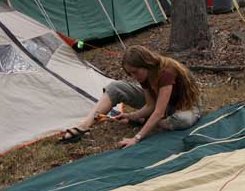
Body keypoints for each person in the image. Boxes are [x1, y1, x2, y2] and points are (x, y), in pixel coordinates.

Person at [60, 46, 201, 148]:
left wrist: (136, 138)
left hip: (183, 106)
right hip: (161, 107)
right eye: (130, 74)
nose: (134, 77)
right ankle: (84, 126)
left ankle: (150, 122)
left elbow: (157, 112)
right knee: (116, 87)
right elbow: (150, 105)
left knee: (183, 120)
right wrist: (131, 116)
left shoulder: (166, 72)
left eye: (135, 72)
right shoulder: (144, 75)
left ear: (146, 64)